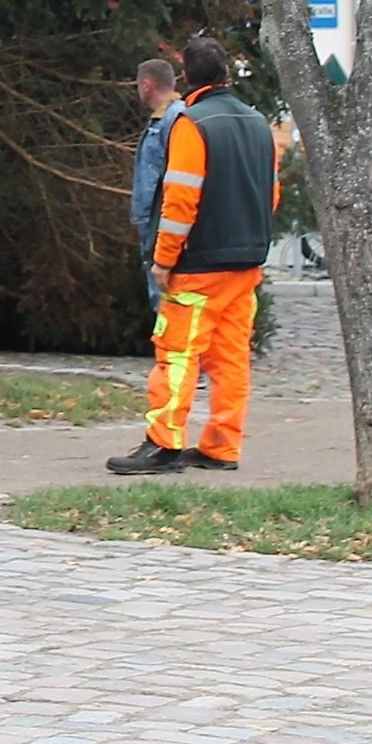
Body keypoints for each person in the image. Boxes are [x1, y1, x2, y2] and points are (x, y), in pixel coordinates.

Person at [110, 36, 278, 475]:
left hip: (198, 266)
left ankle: (163, 443)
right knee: (231, 358)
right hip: (245, 264)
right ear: (225, 74)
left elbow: (180, 200)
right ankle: (223, 444)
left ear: (186, 76)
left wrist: (164, 260)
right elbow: (270, 194)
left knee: (178, 354)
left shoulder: (192, 124)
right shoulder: (259, 124)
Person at [128, 59, 181, 305]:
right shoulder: (169, 119)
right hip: (159, 222)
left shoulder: (171, 121)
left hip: (160, 224)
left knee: (164, 300)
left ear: (147, 85)